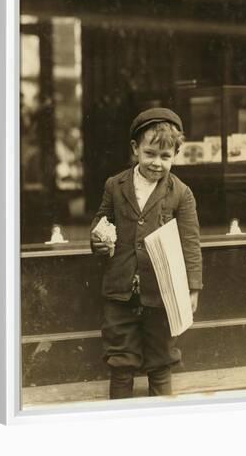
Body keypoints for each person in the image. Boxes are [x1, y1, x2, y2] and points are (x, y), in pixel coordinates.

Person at [90, 108, 203, 399]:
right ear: (135, 149)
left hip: (162, 292)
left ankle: (161, 415)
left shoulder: (181, 193)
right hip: (121, 290)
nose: (157, 163)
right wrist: (98, 240)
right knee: (120, 360)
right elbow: (103, 222)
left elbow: (190, 242)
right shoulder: (115, 186)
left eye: (166, 157)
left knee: (161, 359)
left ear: (176, 155)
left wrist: (192, 289)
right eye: (150, 153)